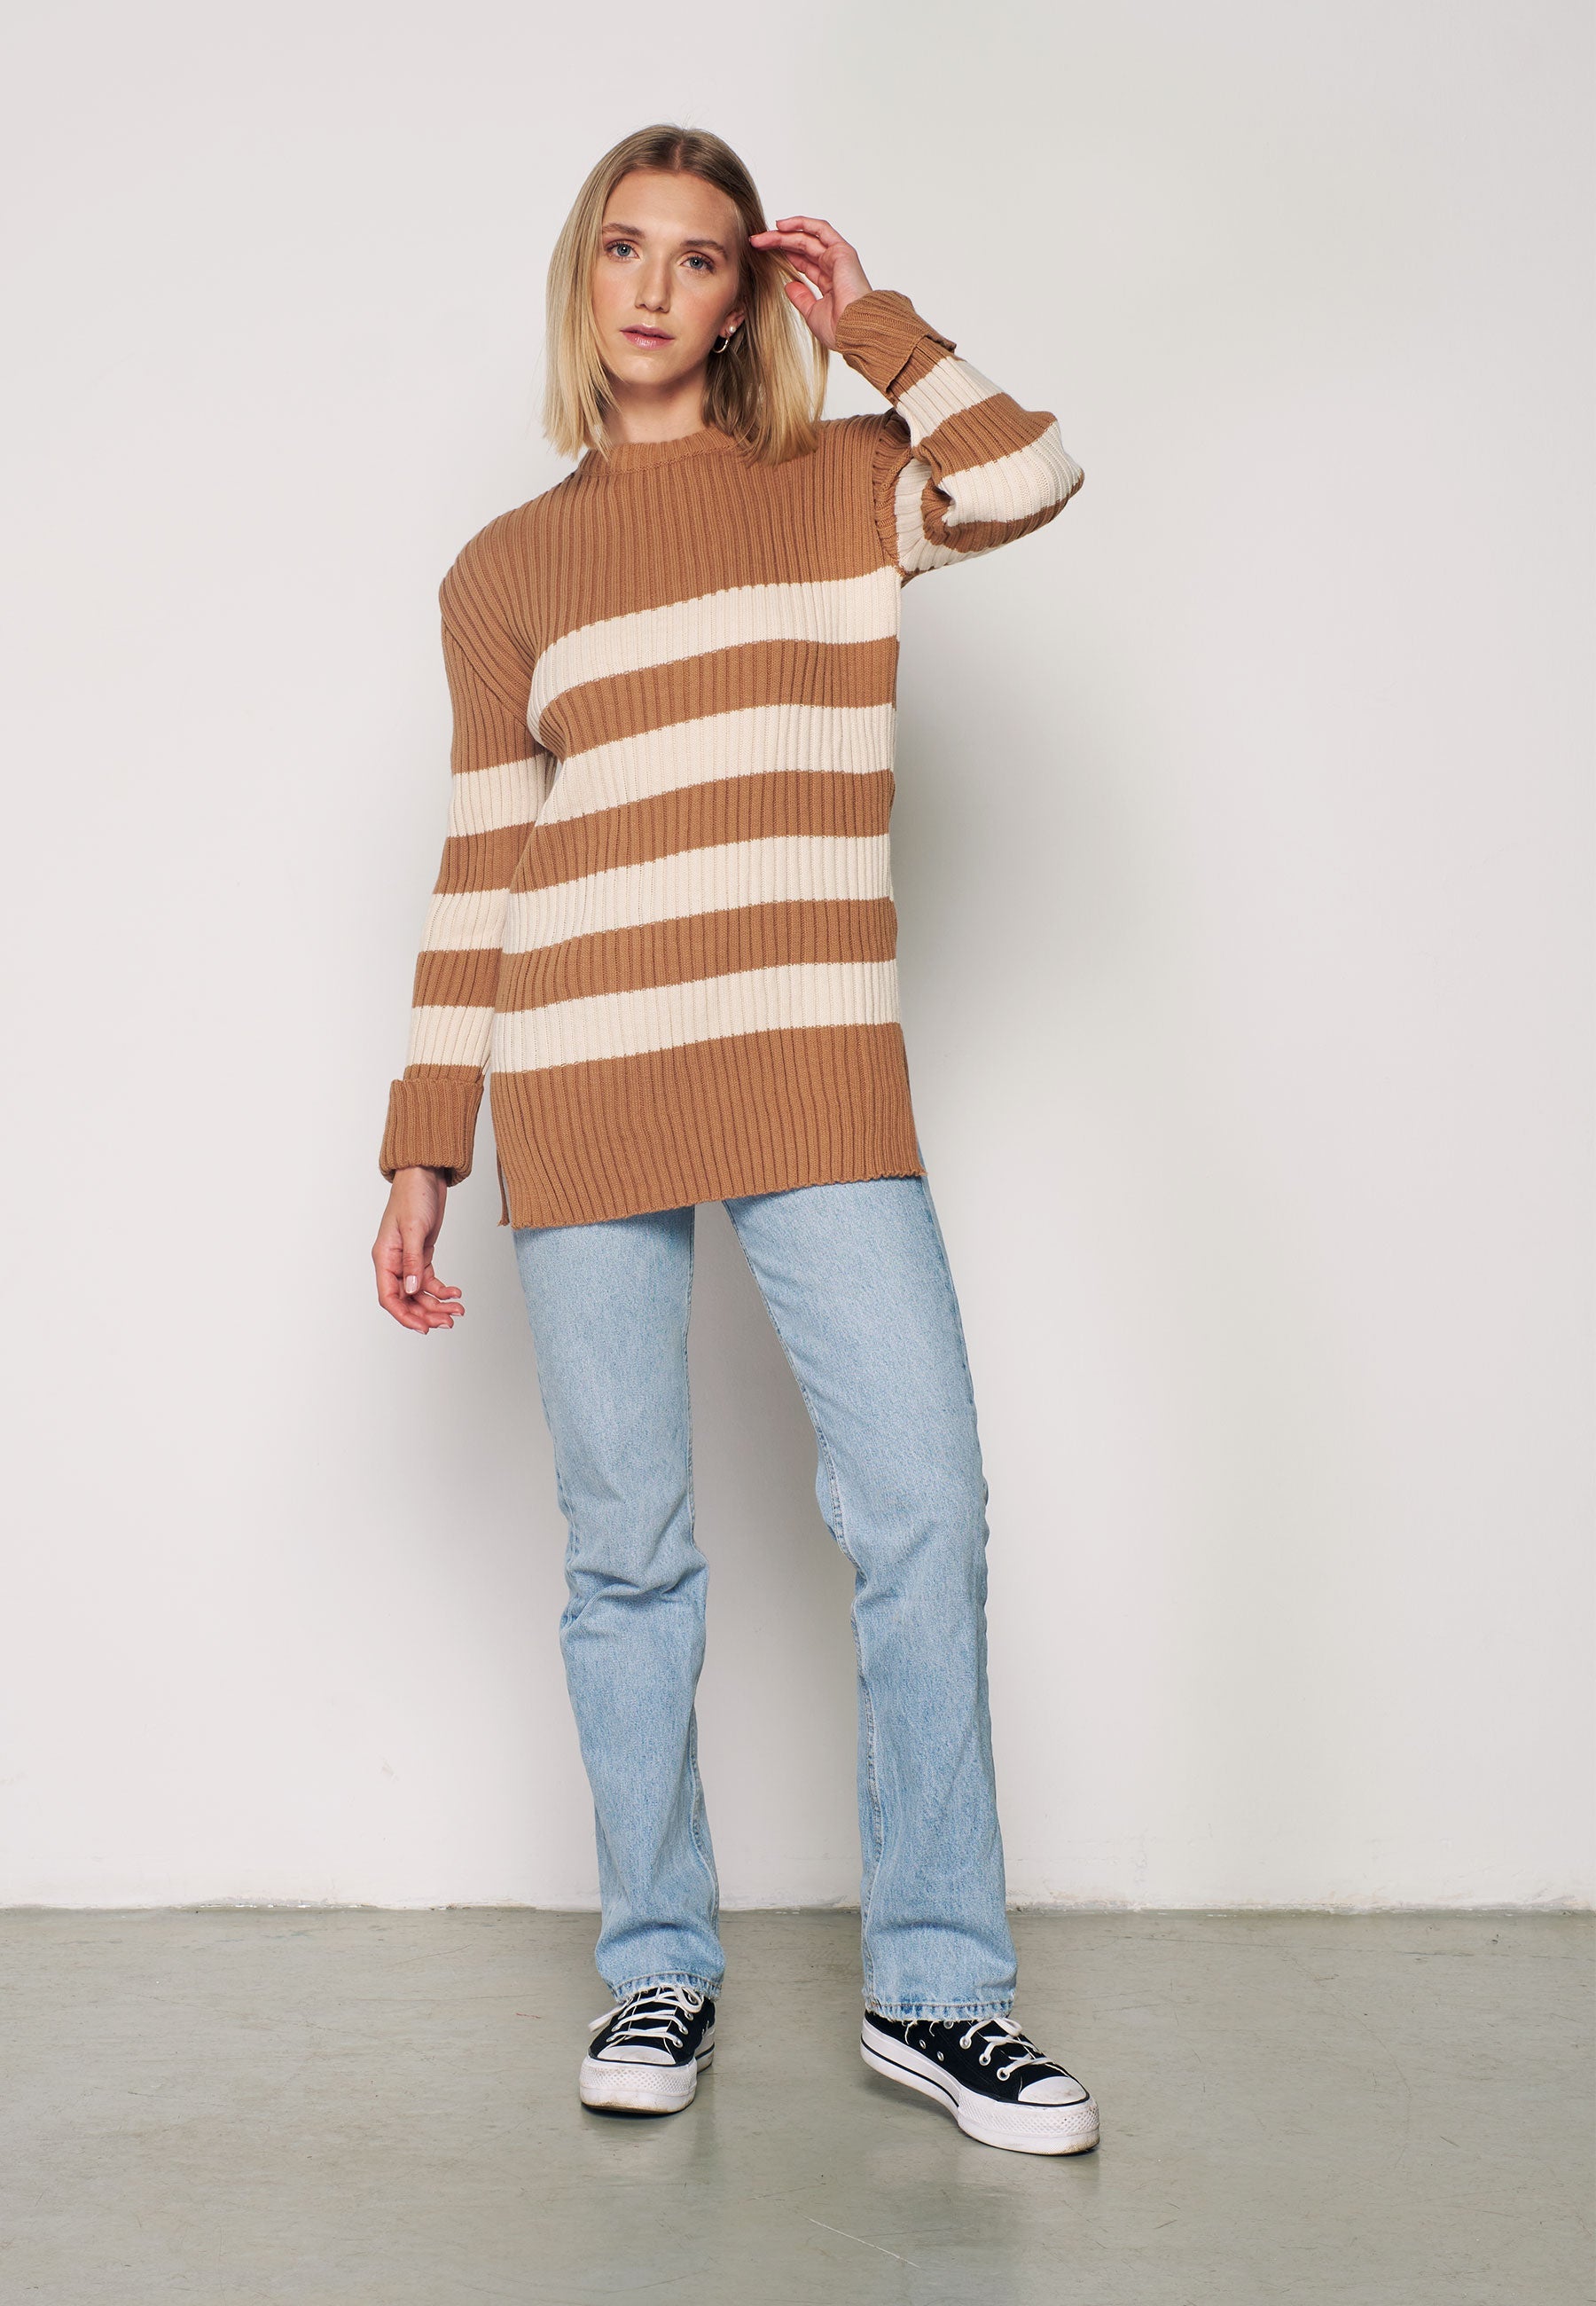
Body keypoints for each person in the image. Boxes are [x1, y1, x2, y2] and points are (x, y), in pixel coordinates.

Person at [370, 122, 1097, 2159]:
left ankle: (938, 1990)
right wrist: (425, 1144)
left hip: (806, 1062)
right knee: (628, 1552)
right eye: (626, 247)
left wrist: (877, 324)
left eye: (702, 257)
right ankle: (657, 1960)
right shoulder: (503, 574)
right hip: (583, 1073)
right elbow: (480, 872)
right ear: (582, 274)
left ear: (742, 293)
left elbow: (1030, 475)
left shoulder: (846, 482)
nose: (656, 287)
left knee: (924, 1506)